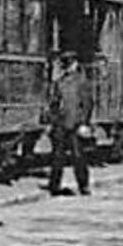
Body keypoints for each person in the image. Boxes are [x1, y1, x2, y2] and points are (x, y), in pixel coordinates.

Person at [45, 50, 92, 197]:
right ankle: (54, 186)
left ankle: (83, 185)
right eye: (67, 64)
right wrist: (51, 122)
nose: (69, 67)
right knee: (57, 157)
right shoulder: (59, 83)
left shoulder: (82, 82)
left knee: (78, 156)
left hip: (76, 124)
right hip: (60, 124)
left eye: (71, 63)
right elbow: (53, 104)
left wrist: (84, 123)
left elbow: (87, 104)